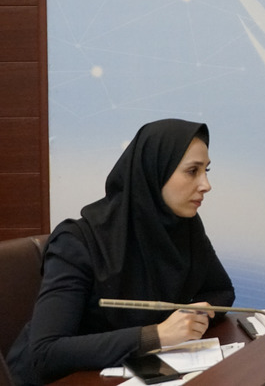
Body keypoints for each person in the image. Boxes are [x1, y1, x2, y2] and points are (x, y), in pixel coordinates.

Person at [7, 119, 234, 385]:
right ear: (154, 171)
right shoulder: (77, 242)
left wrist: (188, 321)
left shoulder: (184, 226)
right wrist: (156, 335)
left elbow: (220, 292)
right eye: (192, 171)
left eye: (206, 170)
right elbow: (46, 353)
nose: (206, 184)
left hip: (130, 370)